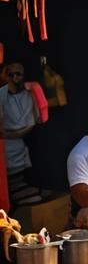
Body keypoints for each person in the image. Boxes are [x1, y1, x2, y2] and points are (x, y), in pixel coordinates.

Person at [0, 63, 41, 205]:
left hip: (17, 144)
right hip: (4, 147)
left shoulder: (27, 96)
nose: (15, 78)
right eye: (11, 74)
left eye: (19, 74)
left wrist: (11, 135)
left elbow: (32, 121)